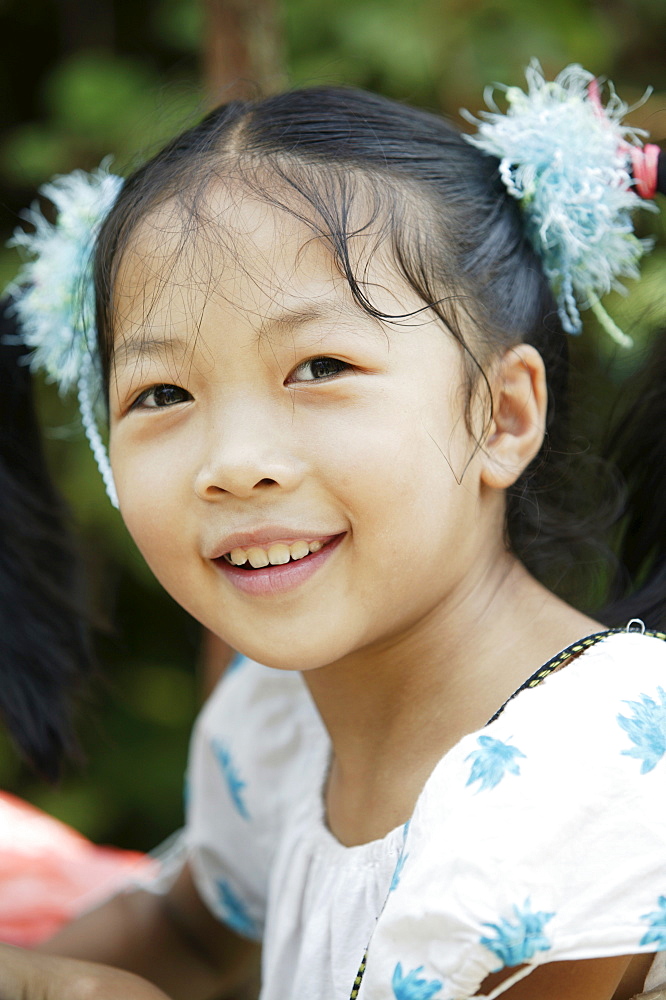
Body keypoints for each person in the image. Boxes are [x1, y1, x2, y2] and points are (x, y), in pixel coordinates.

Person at [5, 62, 666, 1000]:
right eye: (162, 393)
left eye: (319, 366)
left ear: (503, 415)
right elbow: (188, 931)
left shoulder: (588, 779)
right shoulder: (276, 717)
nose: (234, 461)